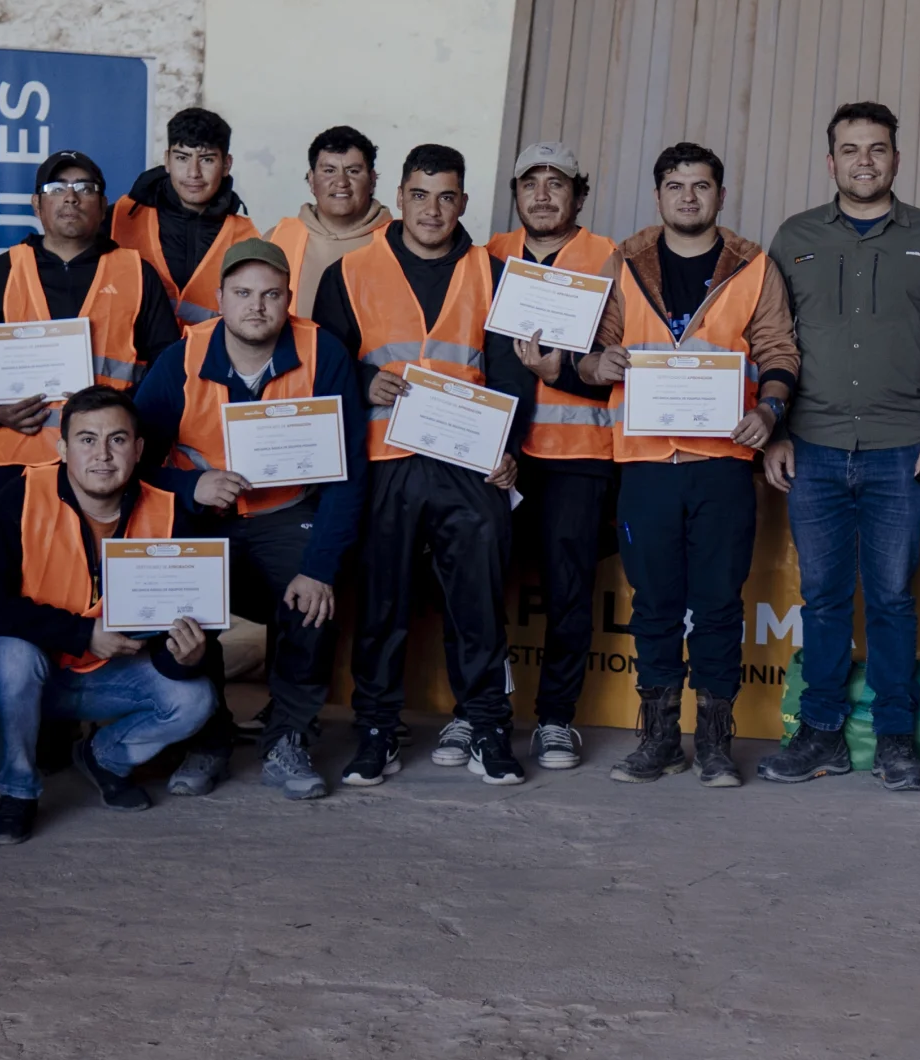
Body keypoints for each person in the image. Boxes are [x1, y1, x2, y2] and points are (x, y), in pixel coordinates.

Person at [756, 102, 920, 794]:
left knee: (891, 598)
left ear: (896, 160)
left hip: (900, 451)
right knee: (821, 597)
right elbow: (768, 342)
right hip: (812, 446)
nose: (864, 162)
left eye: (877, 149)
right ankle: (820, 734)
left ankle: (897, 738)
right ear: (831, 162)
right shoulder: (793, 238)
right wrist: (777, 429)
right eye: (850, 150)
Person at [577, 143, 800, 788]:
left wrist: (773, 410)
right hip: (646, 463)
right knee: (654, 605)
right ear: (658, 196)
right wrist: (598, 364)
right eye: (675, 186)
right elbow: (595, 348)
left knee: (718, 604)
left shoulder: (753, 265)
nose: (688, 197)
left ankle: (715, 744)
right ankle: (657, 741)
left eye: (701, 186)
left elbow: (778, 347)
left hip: (722, 462)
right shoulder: (625, 261)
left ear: (720, 196)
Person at [312, 144, 534, 788]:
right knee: (382, 604)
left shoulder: (495, 272)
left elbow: (513, 372)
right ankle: (377, 730)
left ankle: (488, 725)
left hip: (470, 464)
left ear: (463, 202)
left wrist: (510, 449)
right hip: (386, 462)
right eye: (419, 194)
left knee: (480, 605)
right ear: (398, 197)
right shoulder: (351, 272)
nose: (432, 209)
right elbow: (325, 364)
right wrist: (362, 380)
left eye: (446, 197)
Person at [137, 239, 366, 799]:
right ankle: (206, 738)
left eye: (271, 294)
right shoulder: (183, 358)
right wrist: (191, 485)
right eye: (242, 293)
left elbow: (350, 473)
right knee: (178, 602)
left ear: (289, 299)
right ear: (219, 298)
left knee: (311, 599)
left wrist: (320, 568)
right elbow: (130, 462)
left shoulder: (322, 351)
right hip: (203, 517)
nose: (256, 306)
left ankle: (288, 737)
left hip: (286, 513)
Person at [0, 389, 219, 843]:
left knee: (195, 698)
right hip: (30, 676)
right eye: (86, 439)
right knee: (10, 656)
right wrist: (81, 633)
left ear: (138, 450)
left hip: (110, 677)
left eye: (117, 440)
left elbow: (181, 634)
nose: (102, 454)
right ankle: (17, 793)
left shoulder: (170, 512)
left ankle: (105, 757)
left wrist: (189, 655)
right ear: (62, 449)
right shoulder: (20, 496)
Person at [489, 141, 617, 771]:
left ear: (579, 194)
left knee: (569, 592)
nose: (542, 194)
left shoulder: (610, 259)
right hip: (498, 454)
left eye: (556, 183)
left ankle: (556, 719)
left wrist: (561, 370)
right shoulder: (485, 257)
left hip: (578, 452)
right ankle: (479, 709)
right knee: (478, 585)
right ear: (515, 194)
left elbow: (622, 360)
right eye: (530, 183)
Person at [0, 149, 180, 497]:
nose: (70, 197)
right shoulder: (3, 271)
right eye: (57, 188)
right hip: (19, 458)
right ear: (37, 205)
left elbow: (168, 367)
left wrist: (124, 424)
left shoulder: (137, 273)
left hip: (108, 462)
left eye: (84, 187)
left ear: (103, 204)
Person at [111, 106, 259, 325]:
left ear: (226, 165)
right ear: (167, 160)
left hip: (208, 359)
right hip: (138, 359)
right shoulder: (119, 217)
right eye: (182, 158)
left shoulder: (247, 237)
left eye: (207, 159)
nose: (193, 173)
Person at [263, 125, 392, 306]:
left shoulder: (399, 241)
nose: (341, 182)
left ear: (372, 181)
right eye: (329, 171)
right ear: (311, 179)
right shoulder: (276, 241)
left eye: (353, 171)